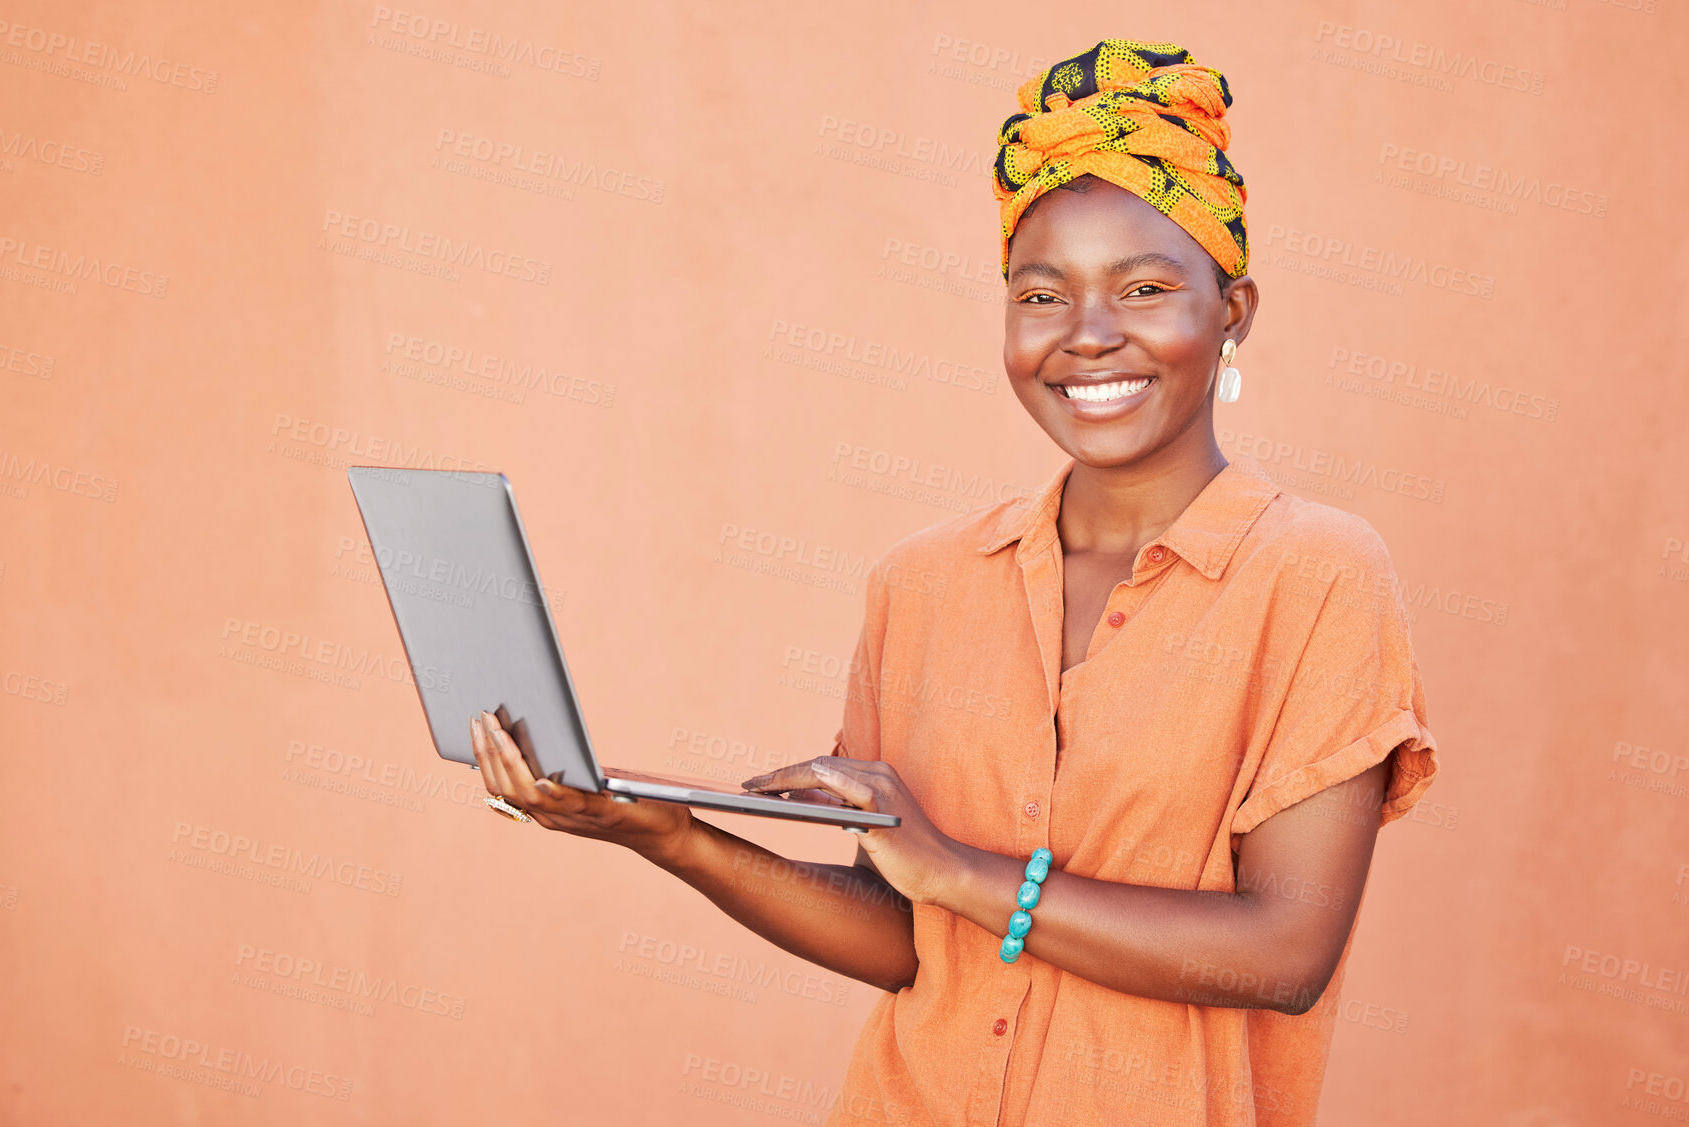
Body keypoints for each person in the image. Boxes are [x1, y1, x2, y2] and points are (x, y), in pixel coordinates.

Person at [468, 38, 1440, 1127]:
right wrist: (666, 830)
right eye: (1041, 294)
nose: (1088, 336)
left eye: (1147, 287)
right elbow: (901, 932)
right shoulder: (923, 582)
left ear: (1233, 312)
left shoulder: (1315, 576)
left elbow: (1283, 951)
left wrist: (963, 872)